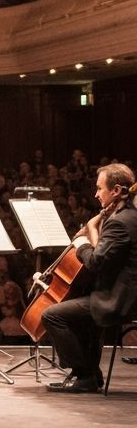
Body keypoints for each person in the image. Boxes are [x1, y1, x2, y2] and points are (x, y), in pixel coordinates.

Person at [42, 163, 137, 393]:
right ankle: (91, 375)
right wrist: (95, 228)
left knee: (52, 316)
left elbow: (95, 262)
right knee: (81, 309)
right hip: (121, 293)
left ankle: (84, 375)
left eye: (99, 188)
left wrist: (82, 242)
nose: (96, 194)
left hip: (120, 300)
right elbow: (105, 257)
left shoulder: (120, 222)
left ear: (115, 191)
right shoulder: (128, 217)